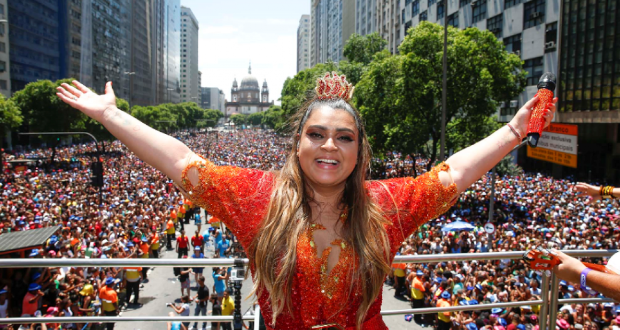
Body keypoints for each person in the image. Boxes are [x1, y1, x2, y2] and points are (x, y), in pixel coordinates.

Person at [56, 73, 557, 329]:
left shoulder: (387, 202)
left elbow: (451, 174)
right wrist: (110, 117)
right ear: (297, 142)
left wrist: (515, 130)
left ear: (361, 150)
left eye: (344, 137)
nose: (329, 146)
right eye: (316, 134)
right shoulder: (258, 199)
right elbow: (184, 160)